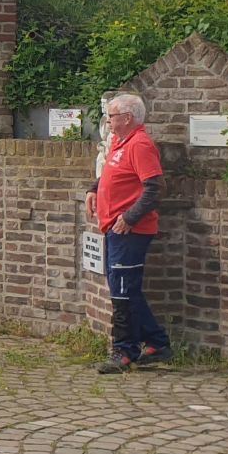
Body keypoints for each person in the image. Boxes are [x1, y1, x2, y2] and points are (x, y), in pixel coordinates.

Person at [85, 92, 173, 374]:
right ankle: (157, 343)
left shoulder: (141, 145)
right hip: (115, 227)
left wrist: (130, 217)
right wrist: (93, 189)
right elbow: (112, 174)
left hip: (129, 230)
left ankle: (123, 351)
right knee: (124, 289)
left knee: (122, 292)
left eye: (111, 116)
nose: (107, 121)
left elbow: (155, 188)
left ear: (127, 118)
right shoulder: (121, 143)